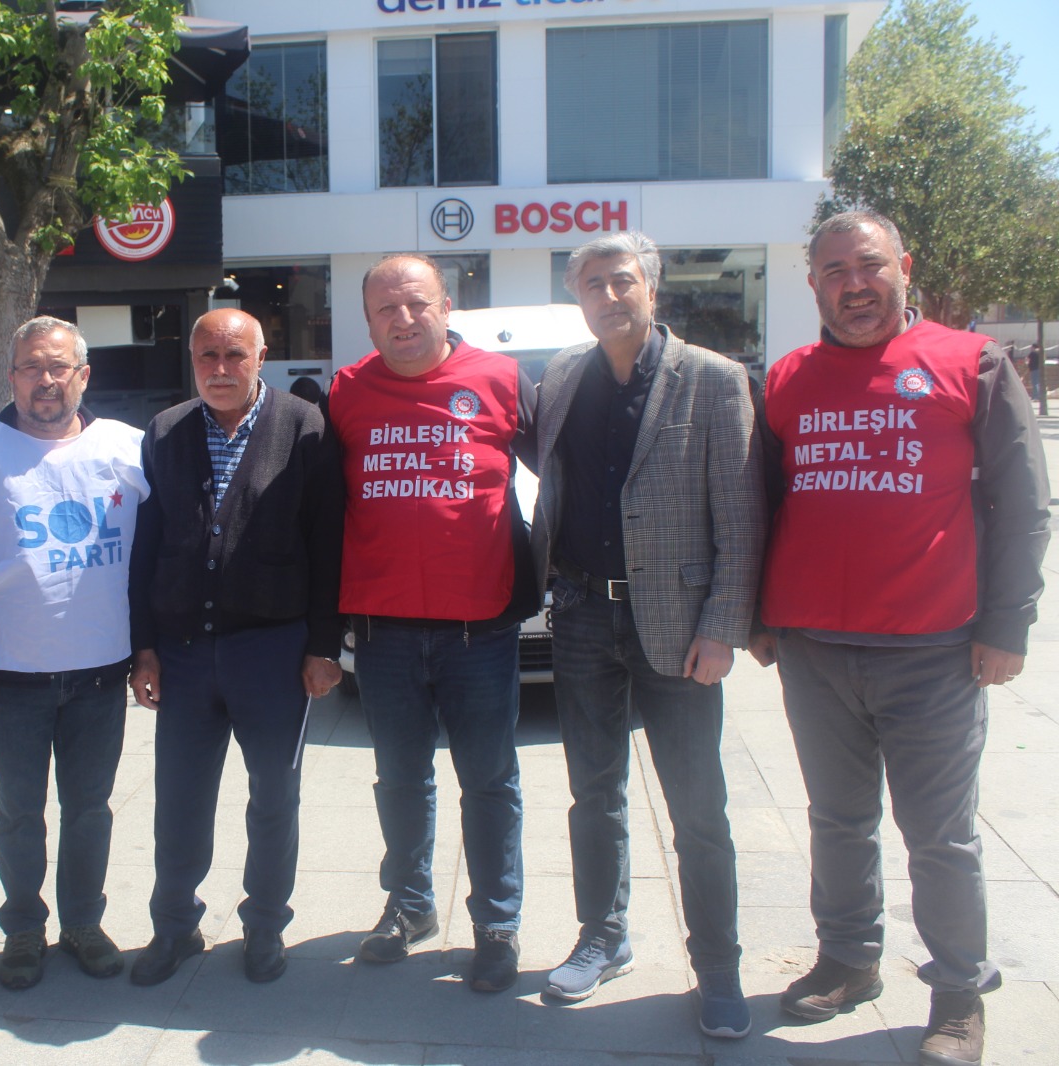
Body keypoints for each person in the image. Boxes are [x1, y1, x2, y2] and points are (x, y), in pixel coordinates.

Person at [752, 210, 1050, 1066]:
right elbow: (762, 505)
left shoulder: (971, 362)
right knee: (837, 821)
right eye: (835, 270)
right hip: (815, 650)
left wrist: (1008, 623)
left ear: (904, 267)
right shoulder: (786, 380)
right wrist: (760, 619)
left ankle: (958, 994)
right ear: (813, 282)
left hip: (935, 650)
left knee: (940, 836)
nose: (855, 285)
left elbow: (1024, 504)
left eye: (870, 265)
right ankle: (849, 960)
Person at [530, 232, 764, 1036]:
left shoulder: (713, 379)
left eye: (621, 280)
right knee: (593, 794)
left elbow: (741, 519)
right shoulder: (564, 375)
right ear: (577, 297)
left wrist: (723, 628)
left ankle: (718, 966)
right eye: (591, 284)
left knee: (698, 808)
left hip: (680, 625)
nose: (608, 295)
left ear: (651, 289)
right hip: (583, 617)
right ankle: (603, 936)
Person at [327, 253, 537, 993]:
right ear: (368, 321)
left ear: (447, 306)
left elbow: (564, 475)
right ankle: (411, 905)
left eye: (417, 303)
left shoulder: (502, 380)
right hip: (383, 632)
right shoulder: (346, 390)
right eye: (386, 308)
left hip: (479, 630)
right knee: (400, 780)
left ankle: (497, 923)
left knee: (490, 782)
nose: (404, 319)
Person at [127, 308, 344, 986]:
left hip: (272, 651)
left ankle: (265, 925)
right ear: (192, 360)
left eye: (234, 355)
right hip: (184, 653)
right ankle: (175, 926)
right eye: (207, 356)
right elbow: (145, 544)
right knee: (178, 799)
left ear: (260, 357)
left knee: (274, 796)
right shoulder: (165, 430)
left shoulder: (304, 426)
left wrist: (324, 644)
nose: (220, 370)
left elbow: (328, 540)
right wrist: (144, 647)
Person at [0, 317, 149, 990]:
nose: (46, 380)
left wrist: (147, 652)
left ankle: (83, 923)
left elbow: (152, 560)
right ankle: (24, 929)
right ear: (11, 377)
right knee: (19, 813)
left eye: (59, 367)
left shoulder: (130, 448)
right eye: (31, 367)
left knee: (90, 810)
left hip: (100, 670)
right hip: (10, 674)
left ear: (84, 375)